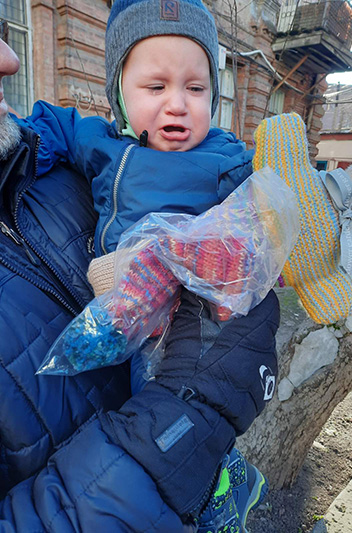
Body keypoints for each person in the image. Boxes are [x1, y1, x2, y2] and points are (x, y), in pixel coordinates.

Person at [0, 24, 280, 533]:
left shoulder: (224, 155)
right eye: (156, 87)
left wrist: (251, 262)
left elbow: (256, 222)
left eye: (196, 89)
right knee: (158, 405)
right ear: (119, 97)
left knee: (185, 403)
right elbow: (56, 127)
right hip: (126, 318)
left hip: (187, 313)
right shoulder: (103, 144)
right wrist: (30, 146)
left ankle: (223, 487)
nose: (177, 104)